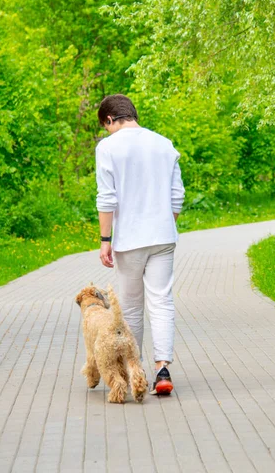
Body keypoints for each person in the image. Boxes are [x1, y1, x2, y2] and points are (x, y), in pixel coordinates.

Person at [95, 93, 185, 395]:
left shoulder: (107, 148)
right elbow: (177, 196)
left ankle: (136, 369)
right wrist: (164, 224)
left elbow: (107, 198)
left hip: (129, 239)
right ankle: (163, 370)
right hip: (163, 236)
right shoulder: (164, 143)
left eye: (105, 126)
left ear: (109, 120)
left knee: (131, 307)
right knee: (162, 302)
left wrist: (105, 240)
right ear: (132, 114)